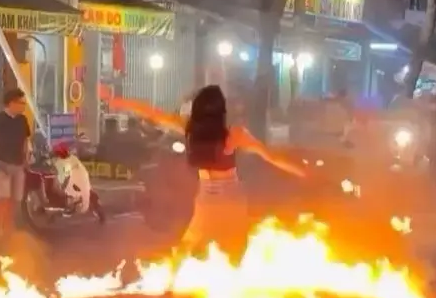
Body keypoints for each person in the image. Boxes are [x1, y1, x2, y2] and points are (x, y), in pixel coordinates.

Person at [110, 84, 306, 250]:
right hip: (220, 198)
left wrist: (119, 102)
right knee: (223, 244)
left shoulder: (203, 130)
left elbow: (153, 113)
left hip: (219, 199)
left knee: (201, 244)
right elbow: (271, 156)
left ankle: (178, 285)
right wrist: (302, 172)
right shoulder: (231, 134)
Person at [0, 89, 32, 238]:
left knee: (15, 198)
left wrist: (27, 157)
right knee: (2, 197)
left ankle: (9, 226)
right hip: (2, 163)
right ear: (11, 103)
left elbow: (26, 140)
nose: (23, 106)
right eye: (21, 103)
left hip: (18, 163)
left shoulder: (22, 120)